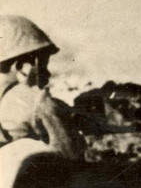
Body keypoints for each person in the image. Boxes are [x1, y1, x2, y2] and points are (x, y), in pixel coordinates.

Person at [0, 15, 82, 158]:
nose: (47, 73)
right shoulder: (36, 100)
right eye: (42, 64)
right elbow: (71, 156)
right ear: (22, 67)